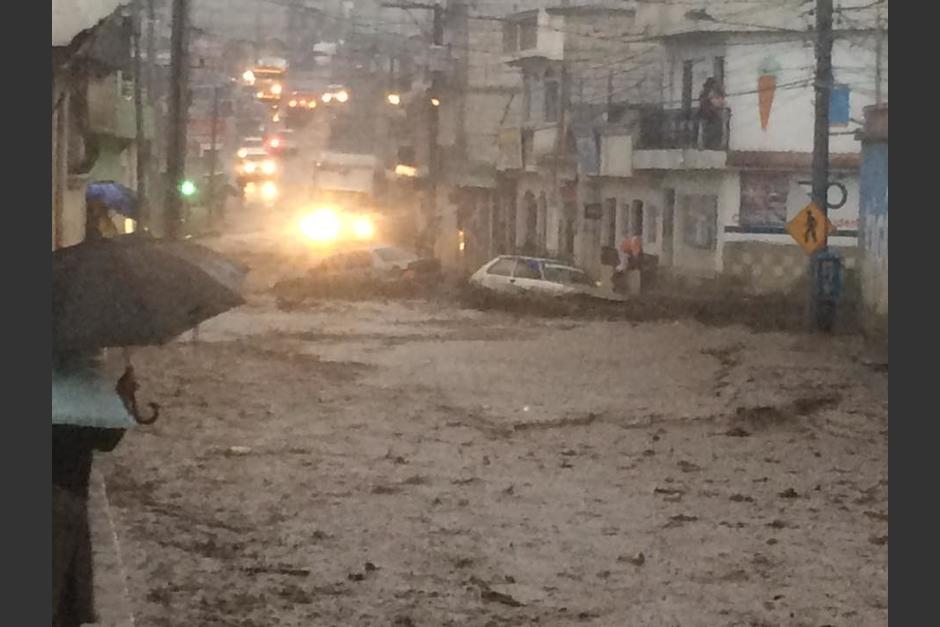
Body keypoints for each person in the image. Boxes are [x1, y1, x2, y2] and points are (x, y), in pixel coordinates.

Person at [52, 351, 143, 627]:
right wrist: (124, 396)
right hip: (64, 501)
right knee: (62, 600)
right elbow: (105, 439)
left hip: (64, 503)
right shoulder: (81, 376)